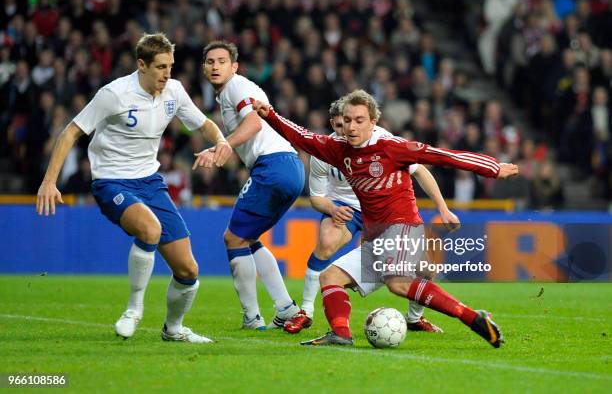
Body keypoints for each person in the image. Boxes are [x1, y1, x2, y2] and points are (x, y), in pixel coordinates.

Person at [252, 89, 518, 347]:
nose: (352, 127)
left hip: (403, 227)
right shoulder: (338, 149)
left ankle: (472, 318)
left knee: (398, 283)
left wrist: (493, 168)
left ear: (373, 122)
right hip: (376, 237)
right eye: (347, 121)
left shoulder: (391, 147)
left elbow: (443, 156)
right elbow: (303, 137)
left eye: (359, 121)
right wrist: (270, 115)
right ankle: (341, 335)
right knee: (330, 277)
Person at [36, 33, 232, 343]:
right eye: (160, 67)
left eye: (170, 66)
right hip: (111, 180)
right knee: (150, 230)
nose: (167, 74)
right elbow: (70, 133)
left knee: (189, 270)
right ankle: (133, 310)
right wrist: (49, 182)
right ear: (141, 65)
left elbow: (203, 123)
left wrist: (222, 141)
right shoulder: (114, 94)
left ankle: (174, 329)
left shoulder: (174, 92)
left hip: (151, 183)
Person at [285, 97, 458, 334]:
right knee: (326, 242)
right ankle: (305, 311)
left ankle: (415, 318)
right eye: (339, 126)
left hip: (381, 211)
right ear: (334, 124)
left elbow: (420, 171)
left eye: (352, 123)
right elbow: (316, 197)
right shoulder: (324, 151)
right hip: (343, 208)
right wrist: (332, 209)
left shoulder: (383, 142)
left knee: (426, 268)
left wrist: (443, 207)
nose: (346, 132)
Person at [200, 41, 302, 329]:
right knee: (248, 238)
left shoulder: (236, 86)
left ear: (234, 66)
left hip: (273, 166)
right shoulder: (229, 93)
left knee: (233, 239)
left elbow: (254, 124)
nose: (215, 66)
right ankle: (286, 308)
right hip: (289, 166)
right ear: (204, 68)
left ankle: (252, 317)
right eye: (210, 61)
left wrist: (224, 145)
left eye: (222, 61)